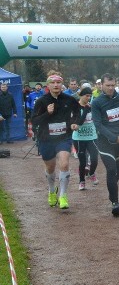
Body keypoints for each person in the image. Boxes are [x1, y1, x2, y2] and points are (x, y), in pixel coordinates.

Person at [31, 71, 80, 210]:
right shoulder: (41, 101)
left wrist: (74, 122)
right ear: (48, 85)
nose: (56, 85)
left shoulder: (69, 99)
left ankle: (63, 195)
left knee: (64, 163)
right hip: (46, 138)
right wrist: (48, 113)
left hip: (64, 137)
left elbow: (77, 112)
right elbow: (34, 121)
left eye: (58, 82)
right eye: (52, 83)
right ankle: (52, 191)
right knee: (50, 167)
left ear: (62, 84)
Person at [91, 73, 119, 216]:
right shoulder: (97, 102)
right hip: (105, 141)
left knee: (117, 171)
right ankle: (115, 203)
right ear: (101, 85)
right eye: (107, 85)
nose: (110, 88)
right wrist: (115, 138)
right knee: (111, 170)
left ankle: (112, 191)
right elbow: (98, 125)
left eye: (112, 85)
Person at [72, 86, 98, 190]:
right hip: (79, 138)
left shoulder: (91, 107)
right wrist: (86, 110)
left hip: (92, 136)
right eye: (86, 96)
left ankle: (91, 174)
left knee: (94, 158)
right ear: (81, 96)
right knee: (82, 162)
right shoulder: (76, 107)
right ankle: (82, 181)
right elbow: (78, 123)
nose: (88, 98)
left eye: (90, 96)